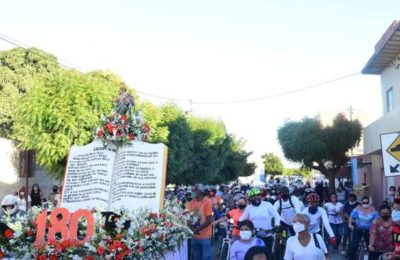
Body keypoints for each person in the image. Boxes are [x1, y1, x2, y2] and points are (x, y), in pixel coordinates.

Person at [239, 187, 280, 252]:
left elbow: (277, 216)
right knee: (254, 254)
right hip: (255, 235)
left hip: (267, 234)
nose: (256, 198)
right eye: (253, 196)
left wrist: (277, 225)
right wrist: (239, 223)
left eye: (257, 195)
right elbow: (242, 218)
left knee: (268, 254)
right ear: (250, 198)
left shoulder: (267, 205)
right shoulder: (249, 208)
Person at [187, 184, 213, 260]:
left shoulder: (207, 202)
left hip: (205, 236)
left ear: (200, 192)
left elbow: (209, 220)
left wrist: (196, 229)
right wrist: (191, 228)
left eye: (194, 190)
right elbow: (188, 217)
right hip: (194, 236)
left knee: (206, 257)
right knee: (195, 257)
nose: (192, 192)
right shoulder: (191, 202)